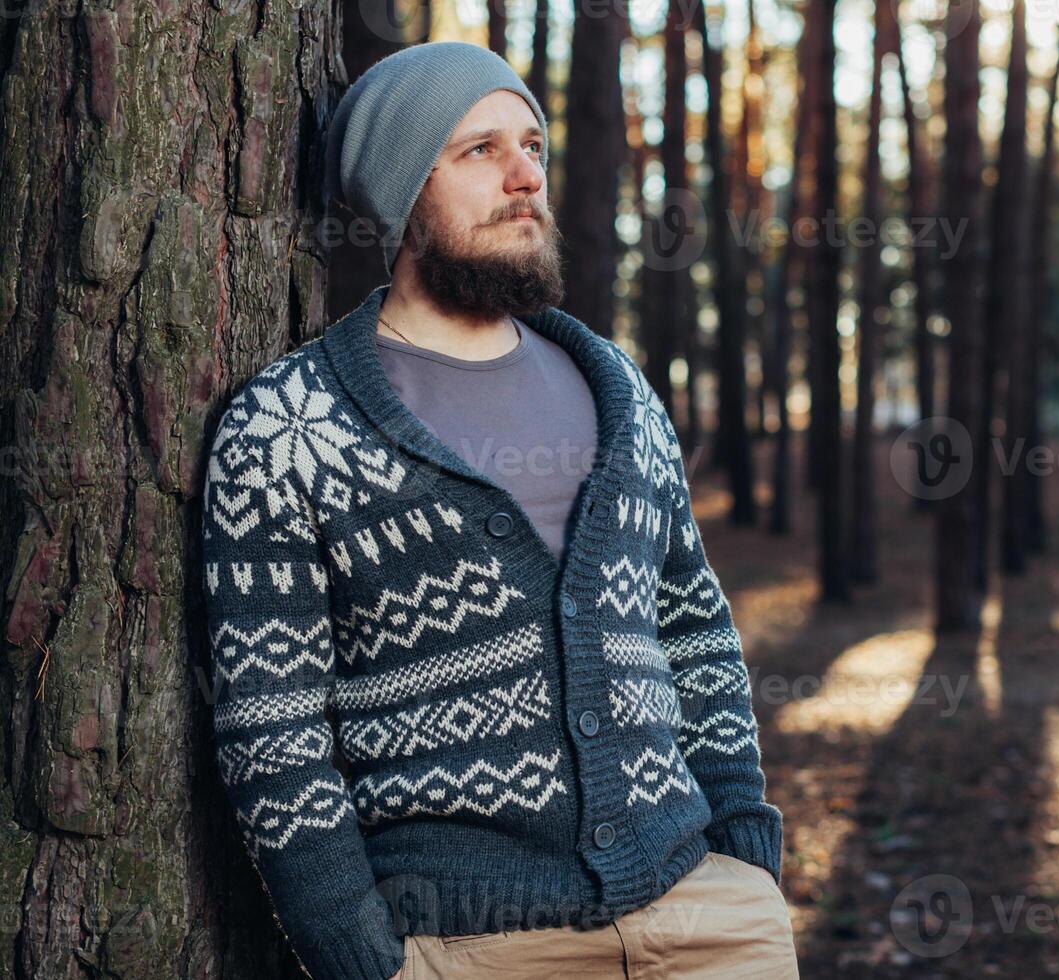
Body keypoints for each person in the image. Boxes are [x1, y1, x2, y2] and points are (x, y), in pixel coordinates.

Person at [200, 41, 797, 980]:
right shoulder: (290, 425)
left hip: (707, 920)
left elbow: (693, 630)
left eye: (533, 146)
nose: (525, 177)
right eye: (480, 151)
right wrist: (357, 955)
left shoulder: (617, 391)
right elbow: (271, 728)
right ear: (401, 191)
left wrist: (747, 855)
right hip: (471, 946)